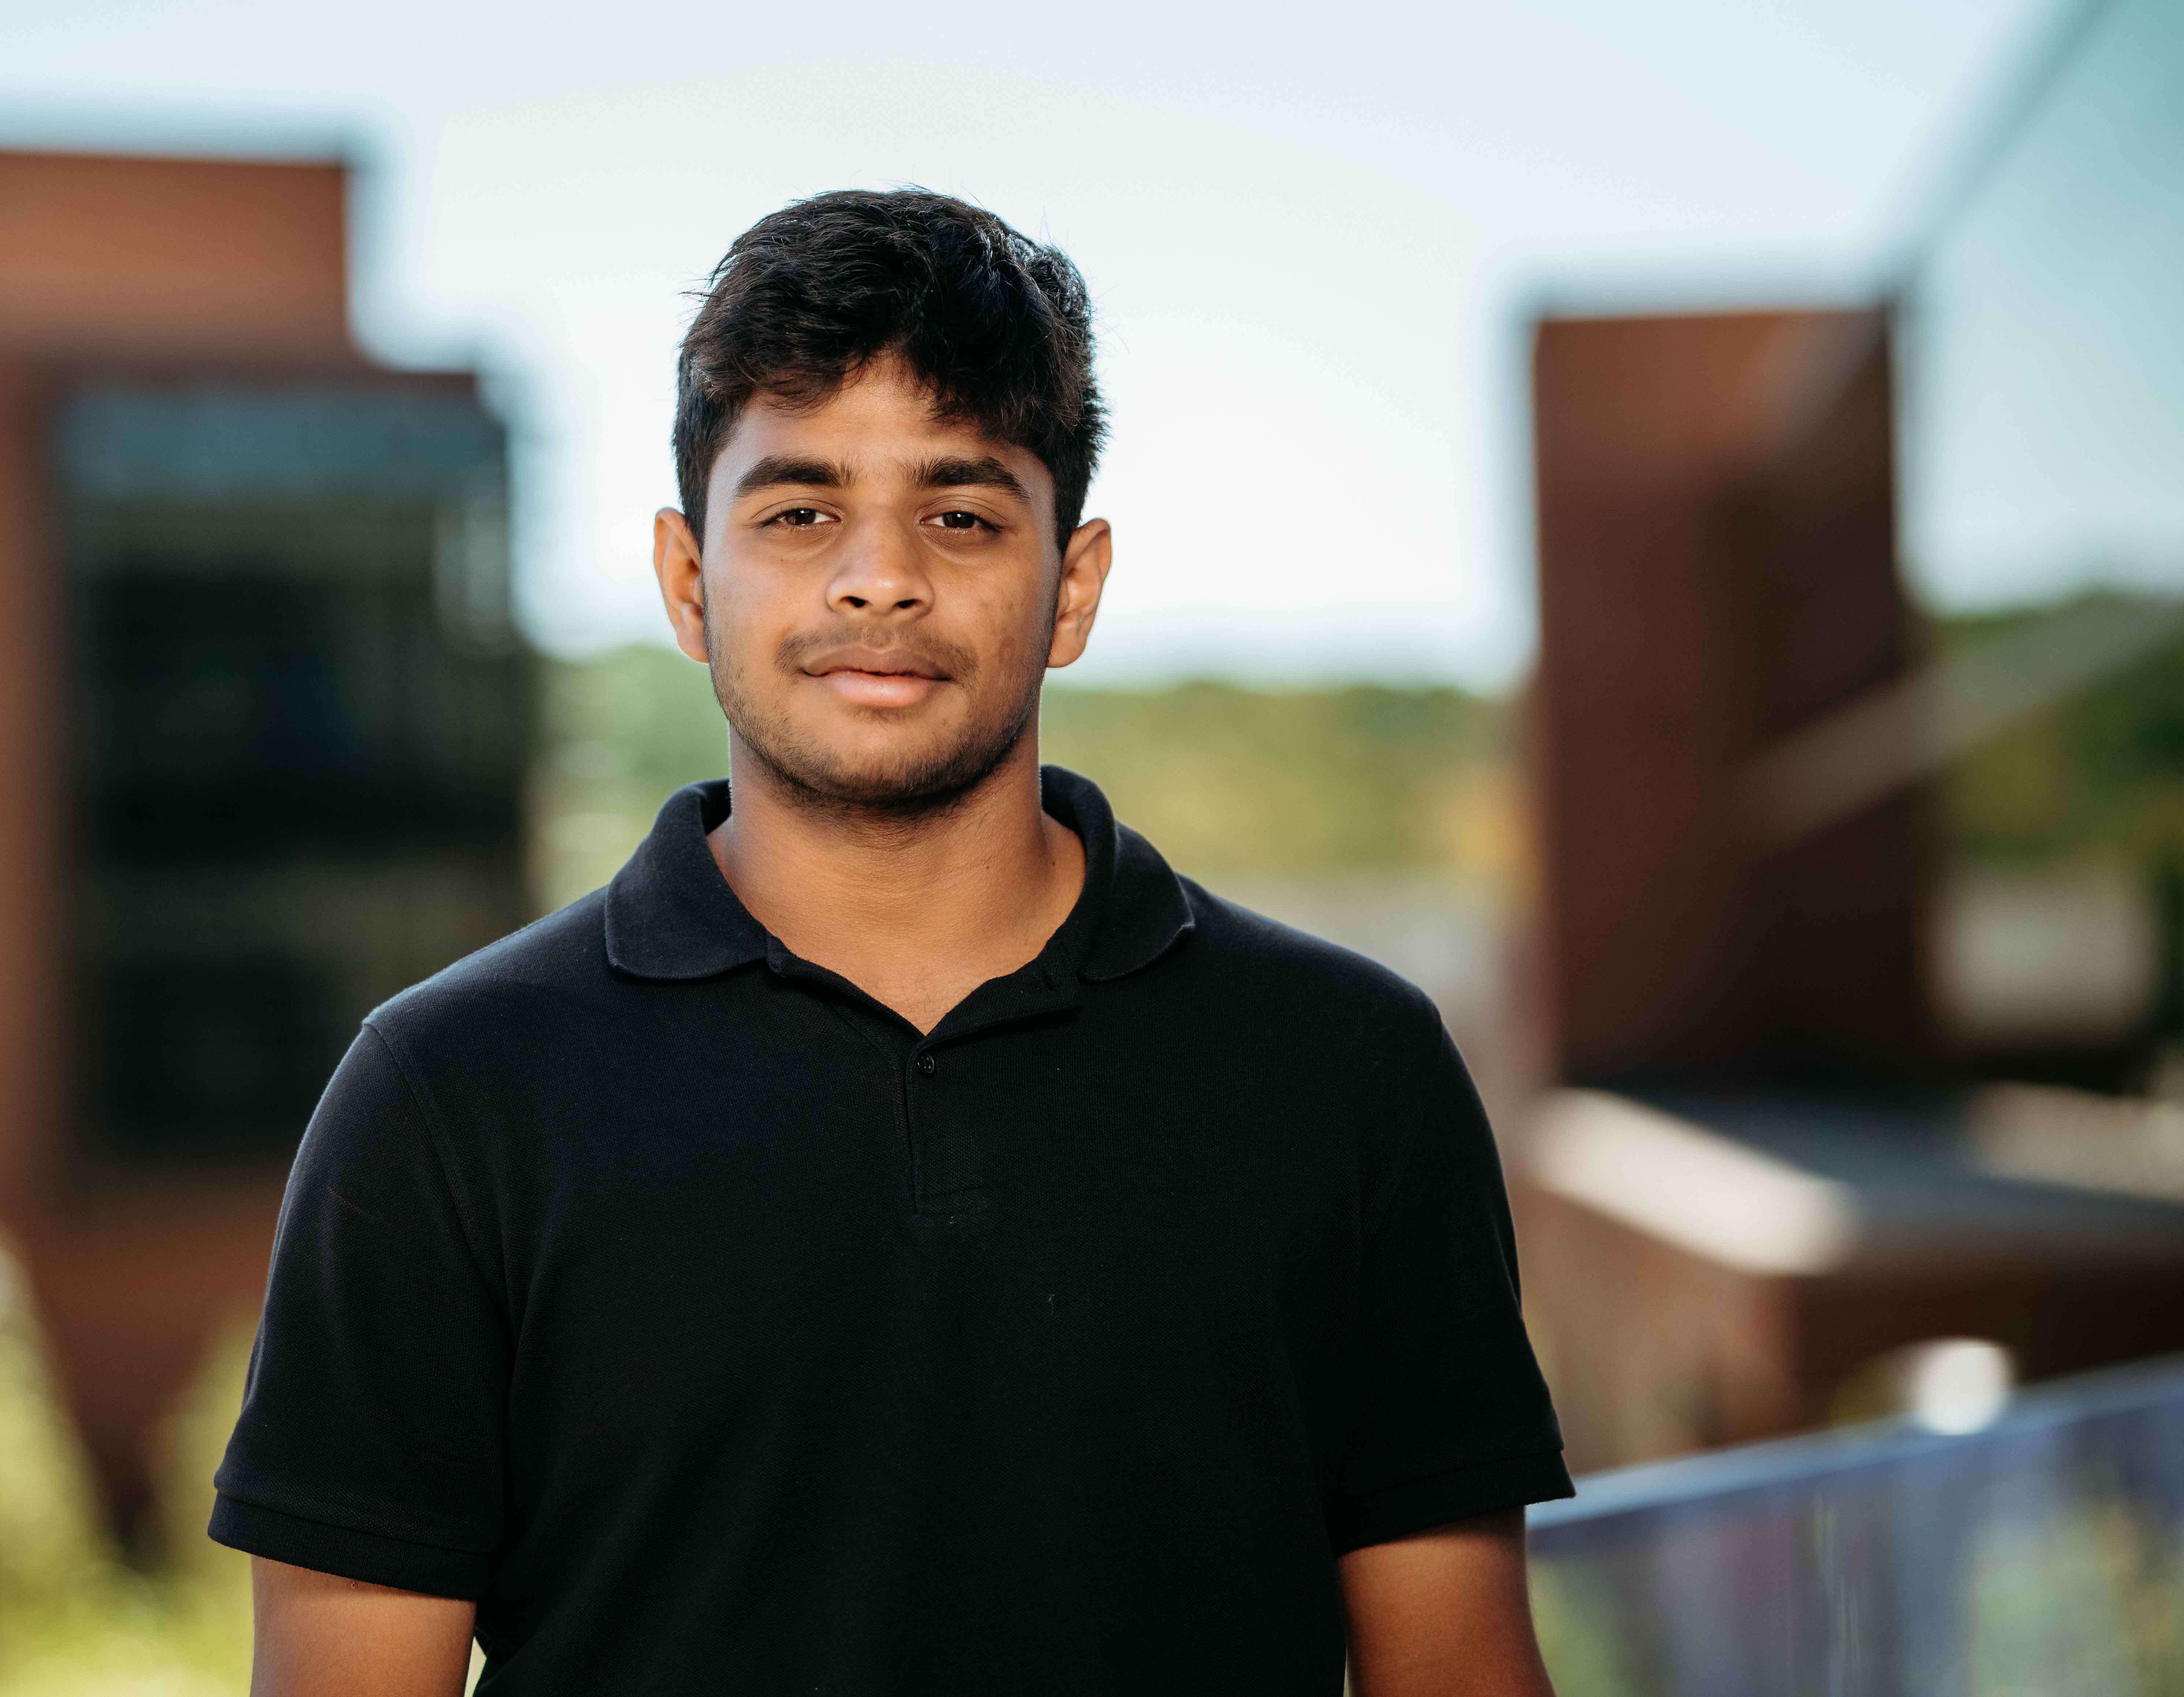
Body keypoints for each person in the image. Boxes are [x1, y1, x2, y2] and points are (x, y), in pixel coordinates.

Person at [211, 189, 1570, 1696]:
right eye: (798, 513)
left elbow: (1458, 1668)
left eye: (963, 514)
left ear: (1075, 585)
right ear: (685, 580)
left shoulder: (1350, 1069)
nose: (880, 577)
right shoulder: (446, 1094)